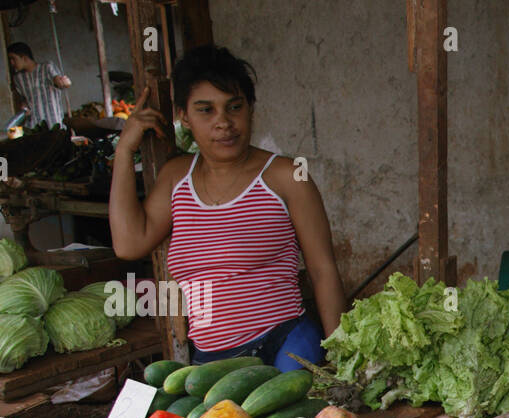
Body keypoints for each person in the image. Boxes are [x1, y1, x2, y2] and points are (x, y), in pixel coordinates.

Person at [108, 45, 344, 367]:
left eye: (234, 107)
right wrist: (124, 151)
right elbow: (128, 243)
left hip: (286, 342)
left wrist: (343, 355)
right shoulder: (176, 177)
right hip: (211, 357)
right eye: (206, 110)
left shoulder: (288, 176)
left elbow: (323, 271)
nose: (224, 123)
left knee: (288, 415)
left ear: (250, 109)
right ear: (184, 117)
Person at [7, 42, 71, 128]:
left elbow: (61, 83)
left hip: (54, 123)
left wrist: (64, 82)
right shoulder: (18, 78)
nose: (11, 63)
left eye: (13, 59)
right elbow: (24, 99)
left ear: (24, 58)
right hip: (33, 126)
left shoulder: (47, 67)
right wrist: (24, 106)